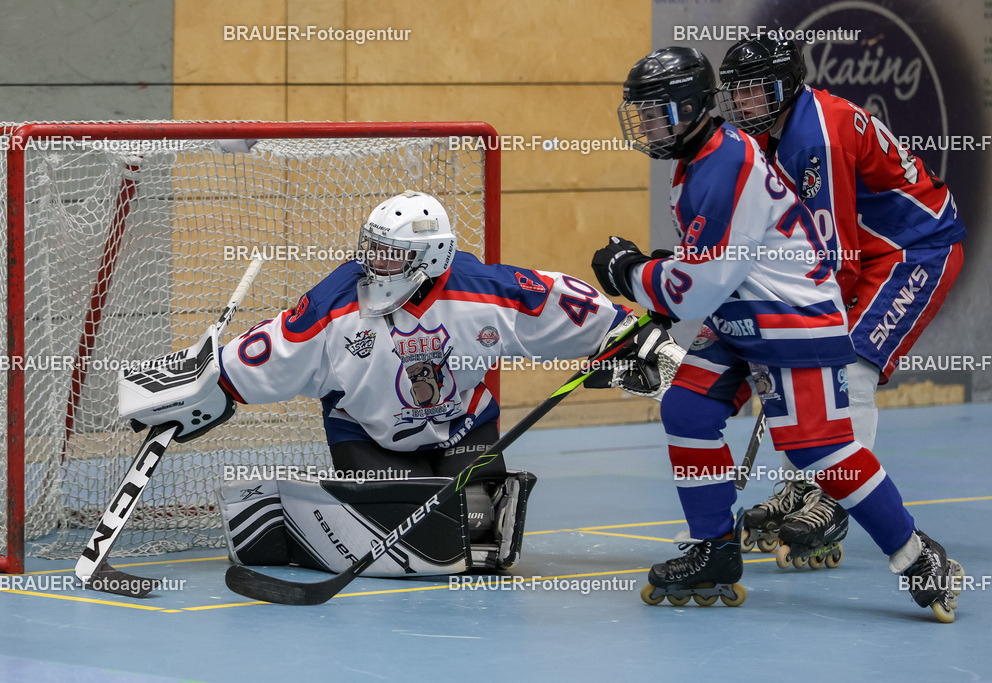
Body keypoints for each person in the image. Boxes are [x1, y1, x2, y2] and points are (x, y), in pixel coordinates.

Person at [121, 190, 670, 578]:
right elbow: (269, 349)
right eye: (372, 248)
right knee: (410, 551)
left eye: (390, 254)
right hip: (367, 434)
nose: (373, 262)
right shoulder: (336, 302)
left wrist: (629, 337)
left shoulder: (486, 291)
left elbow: (569, 303)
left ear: (430, 257)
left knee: (479, 553)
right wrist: (207, 388)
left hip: (464, 428)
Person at [591, 46, 962, 620]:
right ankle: (714, 548)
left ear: (688, 108)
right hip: (746, 309)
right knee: (687, 408)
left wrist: (635, 275)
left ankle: (915, 554)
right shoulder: (699, 155)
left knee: (818, 444)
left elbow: (704, 286)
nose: (644, 125)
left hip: (800, 309)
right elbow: (710, 264)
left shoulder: (762, 152)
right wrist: (667, 278)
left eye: (654, 112)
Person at [715, 37, 965, 556]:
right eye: (737, 92)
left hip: (913, 249)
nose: (744, 103)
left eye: (757, 90)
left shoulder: (816, 140)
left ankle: (834, 498)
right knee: (801, 365)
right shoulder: (771, 131)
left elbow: (835, 260)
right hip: (867, 252)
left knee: (850, 366)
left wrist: (800, 325)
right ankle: (804, 485)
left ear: (786, 86)